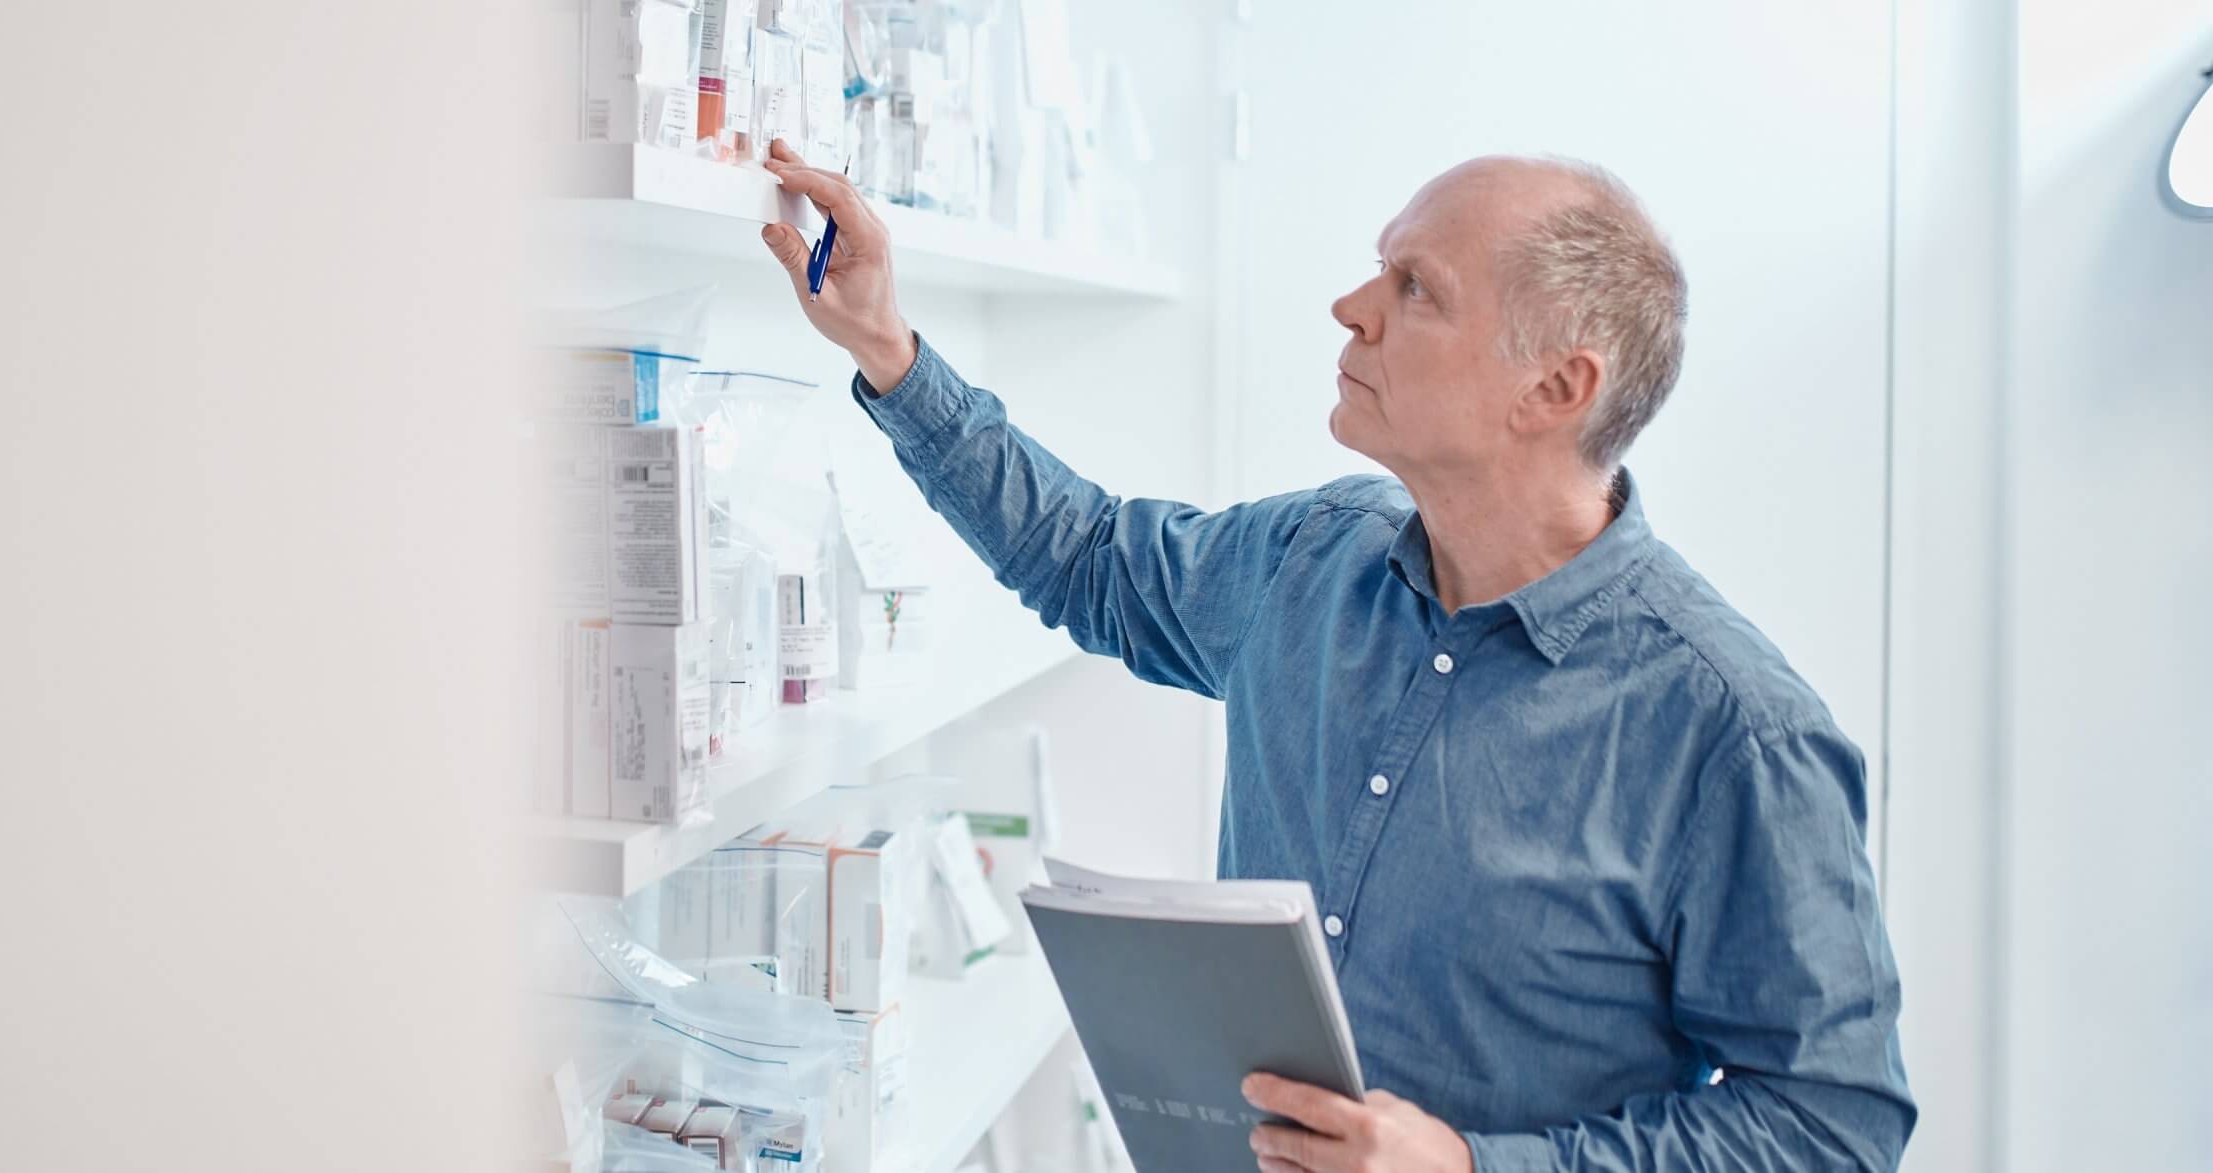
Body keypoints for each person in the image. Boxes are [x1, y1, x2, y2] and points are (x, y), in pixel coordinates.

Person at [755, 140, 1913, 1172]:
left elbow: (1831, 1127)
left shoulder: (1732, 733)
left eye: (1416, 289)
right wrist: (888, 349)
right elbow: (1089, 558)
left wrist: (1472, 1168)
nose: (1352, 307)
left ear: (1556, 388)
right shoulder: (1313, 559)